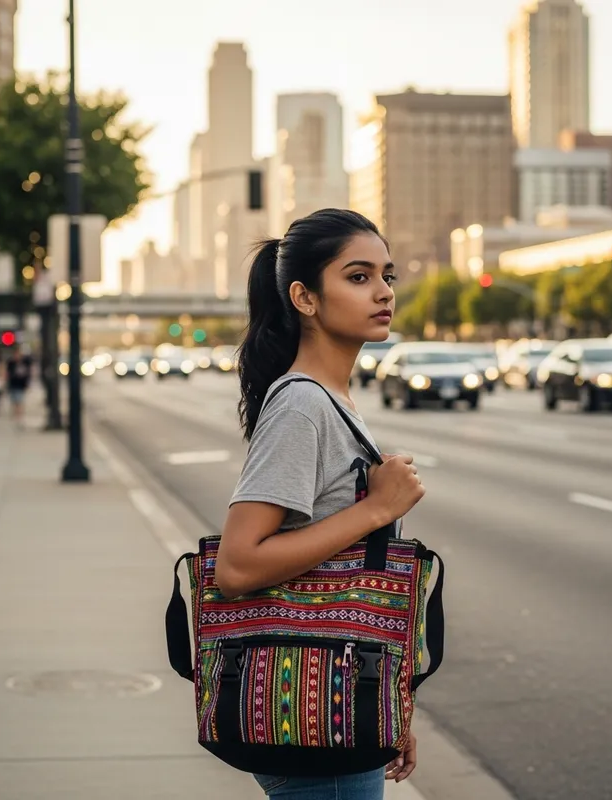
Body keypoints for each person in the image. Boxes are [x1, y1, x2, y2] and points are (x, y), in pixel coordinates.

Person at [214, 209, 425, 800]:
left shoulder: (331, 399)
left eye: (388, 275)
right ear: (304, 297)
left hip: (336, 705)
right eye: (358, 277)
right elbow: (237, 566)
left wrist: (389, 703)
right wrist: (375, 509)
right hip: (314, 727)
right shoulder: (302, 407)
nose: (383, 291)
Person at [5, 345, 33, 422]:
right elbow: (7, 373)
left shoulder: (25, 361)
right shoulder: (11, 362)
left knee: (20, 400)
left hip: (21, 384)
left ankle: (19, 415)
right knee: (14, 400)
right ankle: (15, 414)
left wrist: (28, 383)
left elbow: (29, 372)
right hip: (13, 384)